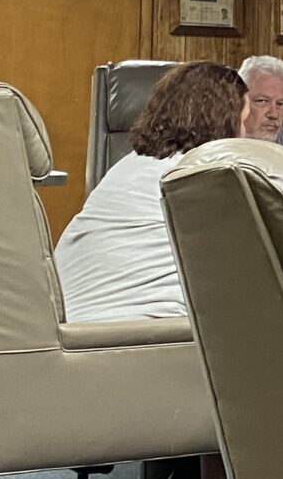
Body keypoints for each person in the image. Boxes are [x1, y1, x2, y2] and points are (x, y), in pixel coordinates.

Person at [55, 61, 246, 323]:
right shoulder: (202, 176)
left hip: (67, 330)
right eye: (243, 122)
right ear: (224, 122)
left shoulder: (127, 166)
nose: (245, 134)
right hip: (143, 334)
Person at [239, 56, 283, 151]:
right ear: (238, 102)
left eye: (281, 104)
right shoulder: (221, 145)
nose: (273, 114)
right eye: (262, 101)